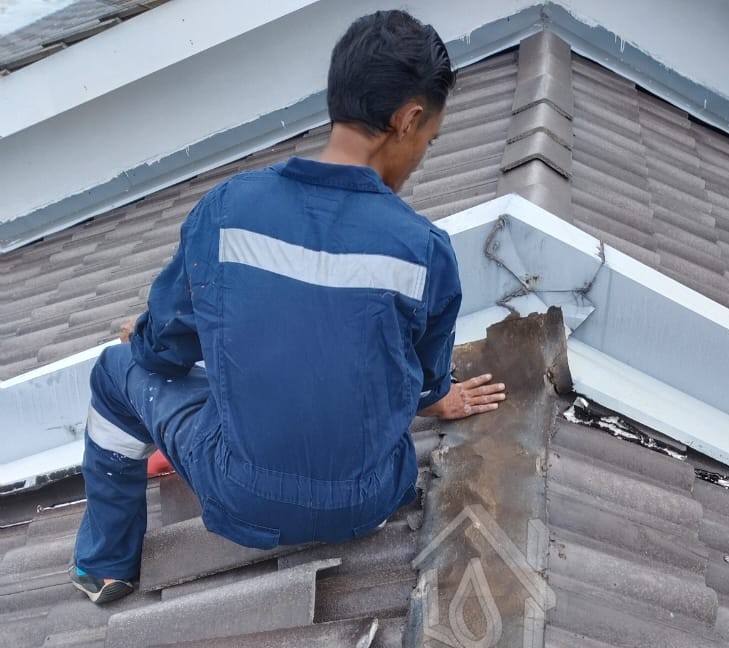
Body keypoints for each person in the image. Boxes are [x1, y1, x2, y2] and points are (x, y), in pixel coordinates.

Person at [70, 9, 505, 605]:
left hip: (241, 496)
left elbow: (163, 352)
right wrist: (441, 399)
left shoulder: (227, 211)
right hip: (370, 498)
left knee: (113, 372)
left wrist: (140, 337)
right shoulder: (424, 250)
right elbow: (426, 385)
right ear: (407, 119)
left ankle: (105, 564)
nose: (420, 156)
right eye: (428, 142)